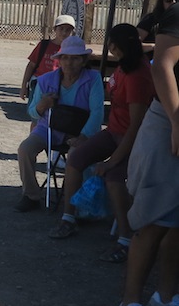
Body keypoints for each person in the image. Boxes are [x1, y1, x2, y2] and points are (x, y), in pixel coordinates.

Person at [48, 24, 154, 261]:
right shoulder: (123, 66)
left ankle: (125, 240)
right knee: (75, 158)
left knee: (114, 177)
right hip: (113, 131)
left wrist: (112, 161)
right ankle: (68, 218)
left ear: (118, 45)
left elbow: (136, 125)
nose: (110, 47)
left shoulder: (138, 75)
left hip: (134, 139)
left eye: (111, 43)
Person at [114, 0, 179, 306]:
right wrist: (177, 121)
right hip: (170, 121)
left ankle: (165, 299)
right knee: (153, 220)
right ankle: (130, 304)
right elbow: (163, 65)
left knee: (177, 225)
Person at [14, 36, 105, 212]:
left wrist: (83, 136)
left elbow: (97, 113)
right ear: (59, 60)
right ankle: (31, 195)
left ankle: (74, 203)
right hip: (48, 129)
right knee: (25, 149)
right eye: (65, 57)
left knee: (76, 155)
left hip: (80, 132)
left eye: (75, 58)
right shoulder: (45, 80)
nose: (69, 62)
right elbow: (32, 112)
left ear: (83, 60)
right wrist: (42, 105)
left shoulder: (93, 79)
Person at [20, 14, 75, 100]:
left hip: (59, 86)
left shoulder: (72, 50)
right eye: (61, 29)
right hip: (38, 83)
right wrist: (24, 86)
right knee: (34, 108)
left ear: (72, 32)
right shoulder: (44, 45)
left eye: (68, 30)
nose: (64, 33)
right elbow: (31, 65)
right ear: (55, 29)